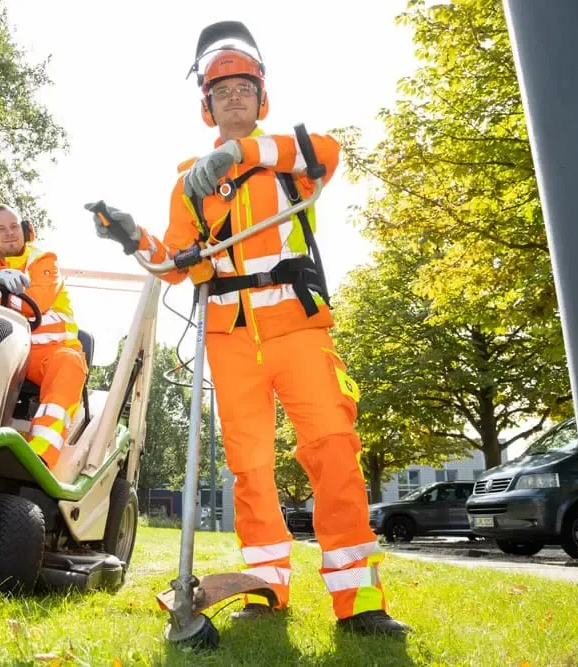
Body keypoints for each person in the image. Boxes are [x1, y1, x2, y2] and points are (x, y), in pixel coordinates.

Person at [86, 23, 410, 637]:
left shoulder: (291, 153)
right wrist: (133, 238)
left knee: (334, 451)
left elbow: (329, 153)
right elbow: (181, 266)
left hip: (298, 327)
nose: (233, 97)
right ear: (205, 105)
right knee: (250, 469)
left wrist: (239, 154)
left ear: (262, 99)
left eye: (243, 88)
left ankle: (360, 602)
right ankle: (267, 590)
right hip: (231, 338)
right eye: (221, 91)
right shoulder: (190, 182)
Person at [0, 204, 87, 470]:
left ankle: (38, 457)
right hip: (6, 353)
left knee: (69, 363)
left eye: (14, 226)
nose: (10, 233)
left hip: (50, 355)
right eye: (0, 229)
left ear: (26, 230)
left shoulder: (44, 261)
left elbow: (36, 304)